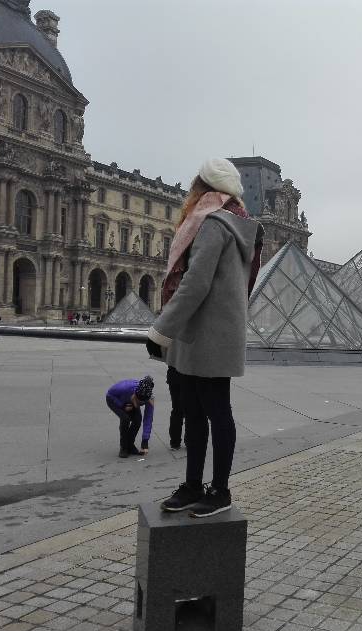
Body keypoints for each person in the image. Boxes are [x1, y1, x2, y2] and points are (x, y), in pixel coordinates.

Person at [147, 158, 263, 517]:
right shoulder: (240, 223)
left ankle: (219, 490)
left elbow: (195, 283)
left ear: (202, 188)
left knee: (209, 413)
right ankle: (194, 485)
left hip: (204, 334)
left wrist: (161, 329)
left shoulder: (213, 223)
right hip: (207, 333)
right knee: (201, 412)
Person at [106, 376, 155, 458]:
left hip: (131, 402)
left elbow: (148, 419)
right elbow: (109, 394)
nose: (140, 404)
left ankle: (130, 445)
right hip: (114, 400)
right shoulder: (124, 388)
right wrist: (122, 406)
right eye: (139, 402)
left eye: (142, 403)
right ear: (135, 396)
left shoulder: (149, 398)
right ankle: (124, 448)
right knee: (125, 419)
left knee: (137, 420)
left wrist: (145, 441)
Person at [166, 366, 184, 450]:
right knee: (191, 410)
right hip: (188, 375)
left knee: (177, 410)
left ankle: (175, 442)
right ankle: (189, 440)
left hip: (174, 375)